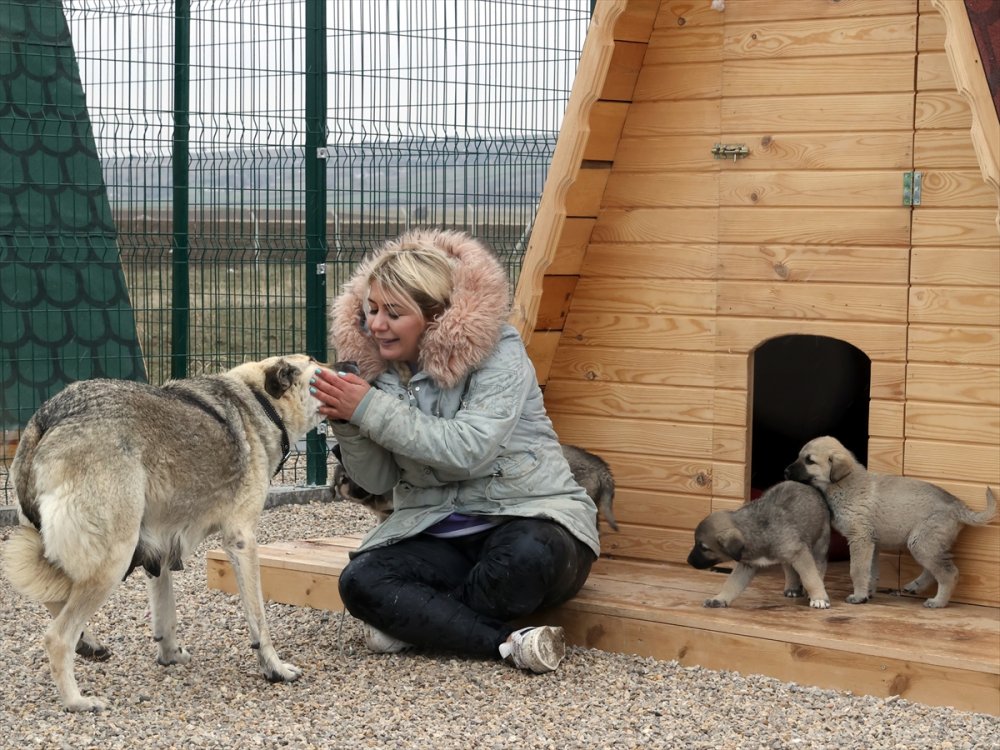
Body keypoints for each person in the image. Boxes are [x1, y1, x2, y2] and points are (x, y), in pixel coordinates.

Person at [311, 228, 600, 673]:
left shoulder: (500, 351)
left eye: (393, 313)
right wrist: (348, 423)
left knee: (525, 557)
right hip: (436, 529)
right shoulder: (377, 370)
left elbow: (469, 451)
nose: (376, 325)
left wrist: (367, 407)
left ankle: (424, 621)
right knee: (361, 581)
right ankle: (506, 643)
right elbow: (377, 482)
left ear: (436, 314)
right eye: (370, 310)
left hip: (530, 516)